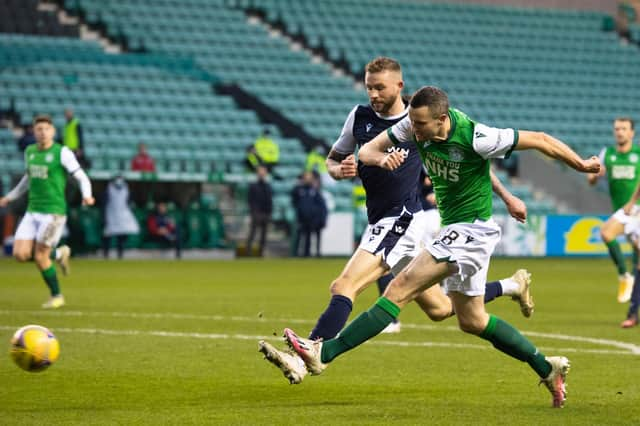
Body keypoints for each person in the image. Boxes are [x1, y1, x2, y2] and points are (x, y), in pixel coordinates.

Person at [281, 86, 601, 408]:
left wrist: (581, 165)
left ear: (442, 120)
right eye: (413, 124)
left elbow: (541, 139)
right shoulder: (412, 127)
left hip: (473, 229)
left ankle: (325, 353)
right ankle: (548, 368)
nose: (414, 131)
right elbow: (366, 152)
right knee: (471, 320)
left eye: (421, 125)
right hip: (454, 229)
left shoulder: (478, 137)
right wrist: (382, 157)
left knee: (399, 287)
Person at [259, 58, 532, 384]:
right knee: (441, 309)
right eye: (369, 87)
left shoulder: (419, 122)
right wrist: (340, 170)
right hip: (380, 221)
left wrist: (506, 196)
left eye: (380, 87)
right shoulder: (358, 118)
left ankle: (308, 355)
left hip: (401, 219)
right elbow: (334, 159)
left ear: (399, 87)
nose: (373, 94)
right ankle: (512, 285)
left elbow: (471, 163)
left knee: (345, 285)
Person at [0, 114, 94, 308]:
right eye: (39, 129)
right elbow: (28, 179)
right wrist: (10, 197)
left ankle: (57, 296)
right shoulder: (30, 151)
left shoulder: (62, 152)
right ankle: (59, 254)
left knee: (41, 256)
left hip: (54, 212)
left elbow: (81, 176)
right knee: (20, 255)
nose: (42, 133)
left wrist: (87, 195)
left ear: (52, 131)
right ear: (34, 132)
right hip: (33, 210)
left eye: (46, 129)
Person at [587, 117, 638, 303]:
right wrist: (594, 175)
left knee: (635, 254)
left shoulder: (638, 153)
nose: (619, 132)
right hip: (622, 211)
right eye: (617, 128)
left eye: (624, 129)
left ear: (632, 133)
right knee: (607, 235)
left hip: (637, 208)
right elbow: (592, 180)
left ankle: (631, 289)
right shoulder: (607, 154)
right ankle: (625, 276)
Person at [102, 176, 139, 259]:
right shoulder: (108, 189)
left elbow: (129, 201)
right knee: (107, 235)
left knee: (122, 235)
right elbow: (104, 203)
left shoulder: (126, 189)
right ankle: (106, 254)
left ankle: (120, 254)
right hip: (111, 214)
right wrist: (104, 217)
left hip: (123, 215)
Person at [291, 171, 324, 257]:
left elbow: (319, 204)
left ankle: (306, 254)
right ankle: (295, 254)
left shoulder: (314, 190)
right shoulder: (299, 189)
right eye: (306, 177)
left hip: (311, 218)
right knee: (298, 237)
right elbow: (294, 200)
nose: (308, 179)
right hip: (301, 217)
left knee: (308, 237)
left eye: (310, 177)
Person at [246, 165, 273, 256]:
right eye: (260, 171)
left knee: (263, 235)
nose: (262, 173)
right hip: (256, 213)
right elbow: (250, 200)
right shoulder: (253, 186)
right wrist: (253, 211)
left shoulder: (268, 186)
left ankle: (261, 252)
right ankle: (248, 251)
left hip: (266, 212)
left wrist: (269, 212)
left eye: (263, 171)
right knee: (253, 233)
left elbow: (270, 200)